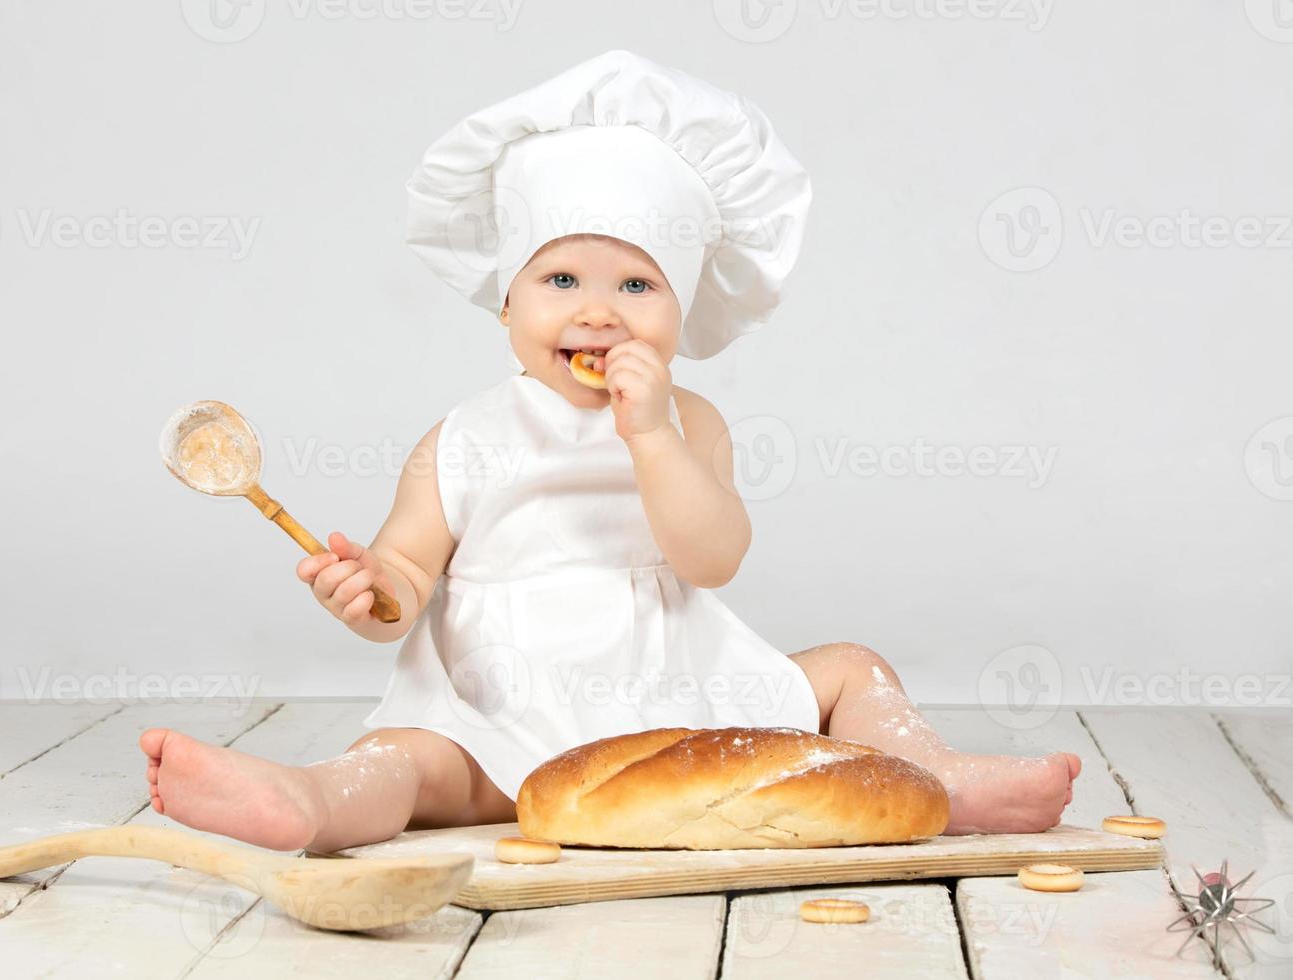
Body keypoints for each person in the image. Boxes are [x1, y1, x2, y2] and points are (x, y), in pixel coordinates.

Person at [141, 50, 1080, 853]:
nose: (597, 310)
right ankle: (307, 802)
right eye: (560, 278)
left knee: (849, 668)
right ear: (506, 303)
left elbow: (712, 559)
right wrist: (369, 592)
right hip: (501, 699)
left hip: (671, 697)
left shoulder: (690, 422)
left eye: (637, 282)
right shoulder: (461, 436)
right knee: (413, 765)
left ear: (681, 311)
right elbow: (406, 578)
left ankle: (941, 780)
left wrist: (652, 434)